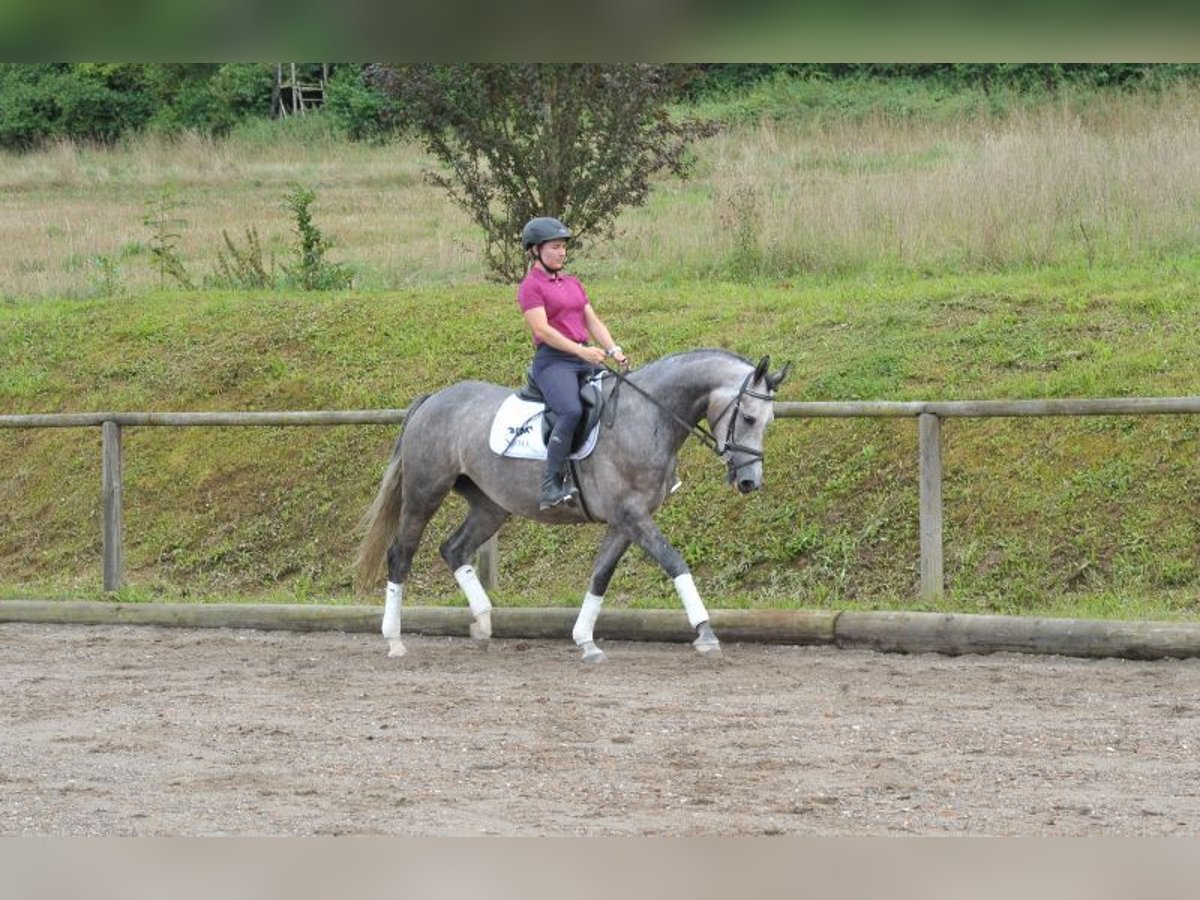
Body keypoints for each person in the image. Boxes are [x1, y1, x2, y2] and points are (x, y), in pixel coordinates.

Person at [517, 216, 629, 510]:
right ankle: (550, 485)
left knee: (620, 396)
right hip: (554, 362)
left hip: (584, 356)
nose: (562, 252)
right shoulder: (531, 287)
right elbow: (542, 330)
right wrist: (582, 353)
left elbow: (592, 321)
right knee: (571, 410)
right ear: (536, 250)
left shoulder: (573, 283)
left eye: (564, 247)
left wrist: (613, 348)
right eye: (555, 247)